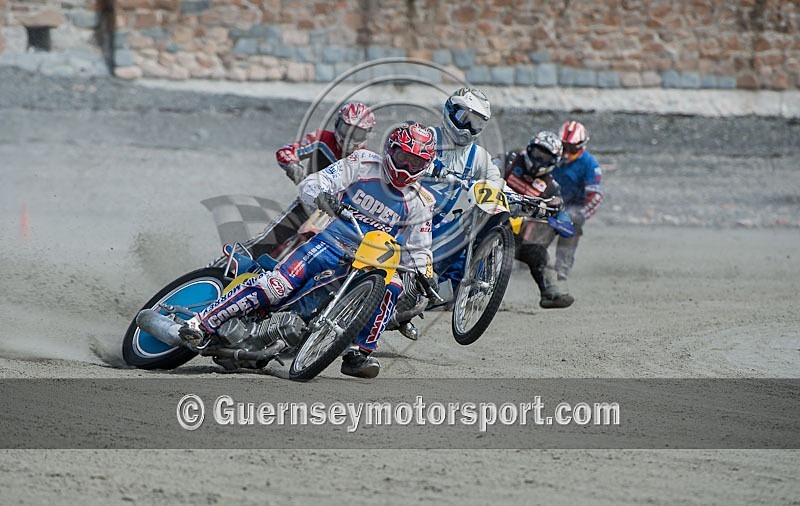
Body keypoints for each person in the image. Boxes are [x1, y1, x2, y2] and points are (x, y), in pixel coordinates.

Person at [181, 122, 437, 378]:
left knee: (393, 286)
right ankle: (201, 323)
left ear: (425, 166)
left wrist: (426, 273)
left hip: (371, 264)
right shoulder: (363, 162)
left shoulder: (423, 201)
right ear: (390, 150)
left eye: (415, 163)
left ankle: (359, 353)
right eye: (403, 157)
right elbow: (314, 182)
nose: (406, 168)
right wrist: (323, 197)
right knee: (277, 285)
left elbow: (420, 248)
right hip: (330, 244)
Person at [500, 131, 574, 308]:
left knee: (538, 253)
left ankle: (550, 291)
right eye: (537, 154)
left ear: (554, 162)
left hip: (516, 234)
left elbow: (564, 220)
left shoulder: (552, 187)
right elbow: (485, 172)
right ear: (529, 149)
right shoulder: (509, 160)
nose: (539, 160)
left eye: (545, 157)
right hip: (486, 219)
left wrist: (558, 222)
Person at [551, 120, 603, 283]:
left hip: (572, 206)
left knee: (570, 223)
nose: (566, 153)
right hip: (549, 199)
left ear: (581, 146)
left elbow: (595, 196)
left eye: (571, 148)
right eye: (564, 147)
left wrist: (582, 214)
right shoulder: (550, 155)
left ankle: (562, 267)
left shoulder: (590, 164)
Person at [276, 102, 376, 184]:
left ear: (366, 134)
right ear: (337, 123)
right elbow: (287, 150)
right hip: (311, 199)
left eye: (357, 133)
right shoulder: (321, 139)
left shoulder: (366, 161)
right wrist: (293, 164)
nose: (350, 138)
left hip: (344, 207)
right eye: (346, 129)